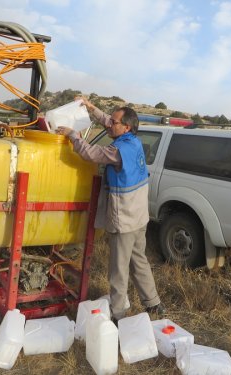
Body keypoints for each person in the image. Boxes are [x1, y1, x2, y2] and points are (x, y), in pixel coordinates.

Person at [56, 97, 165, 322]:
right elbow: (108, 120)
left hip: (124, 218)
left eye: (114, 122)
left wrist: (73, 136)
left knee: (118, 269)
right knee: (139, 260)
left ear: (125, 127)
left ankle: (118, 315)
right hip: (139, 217)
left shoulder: (117, 151)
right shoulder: (133, 141)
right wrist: (91, 107)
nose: (109, 124)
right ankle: (153, 303)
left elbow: (90, 154)